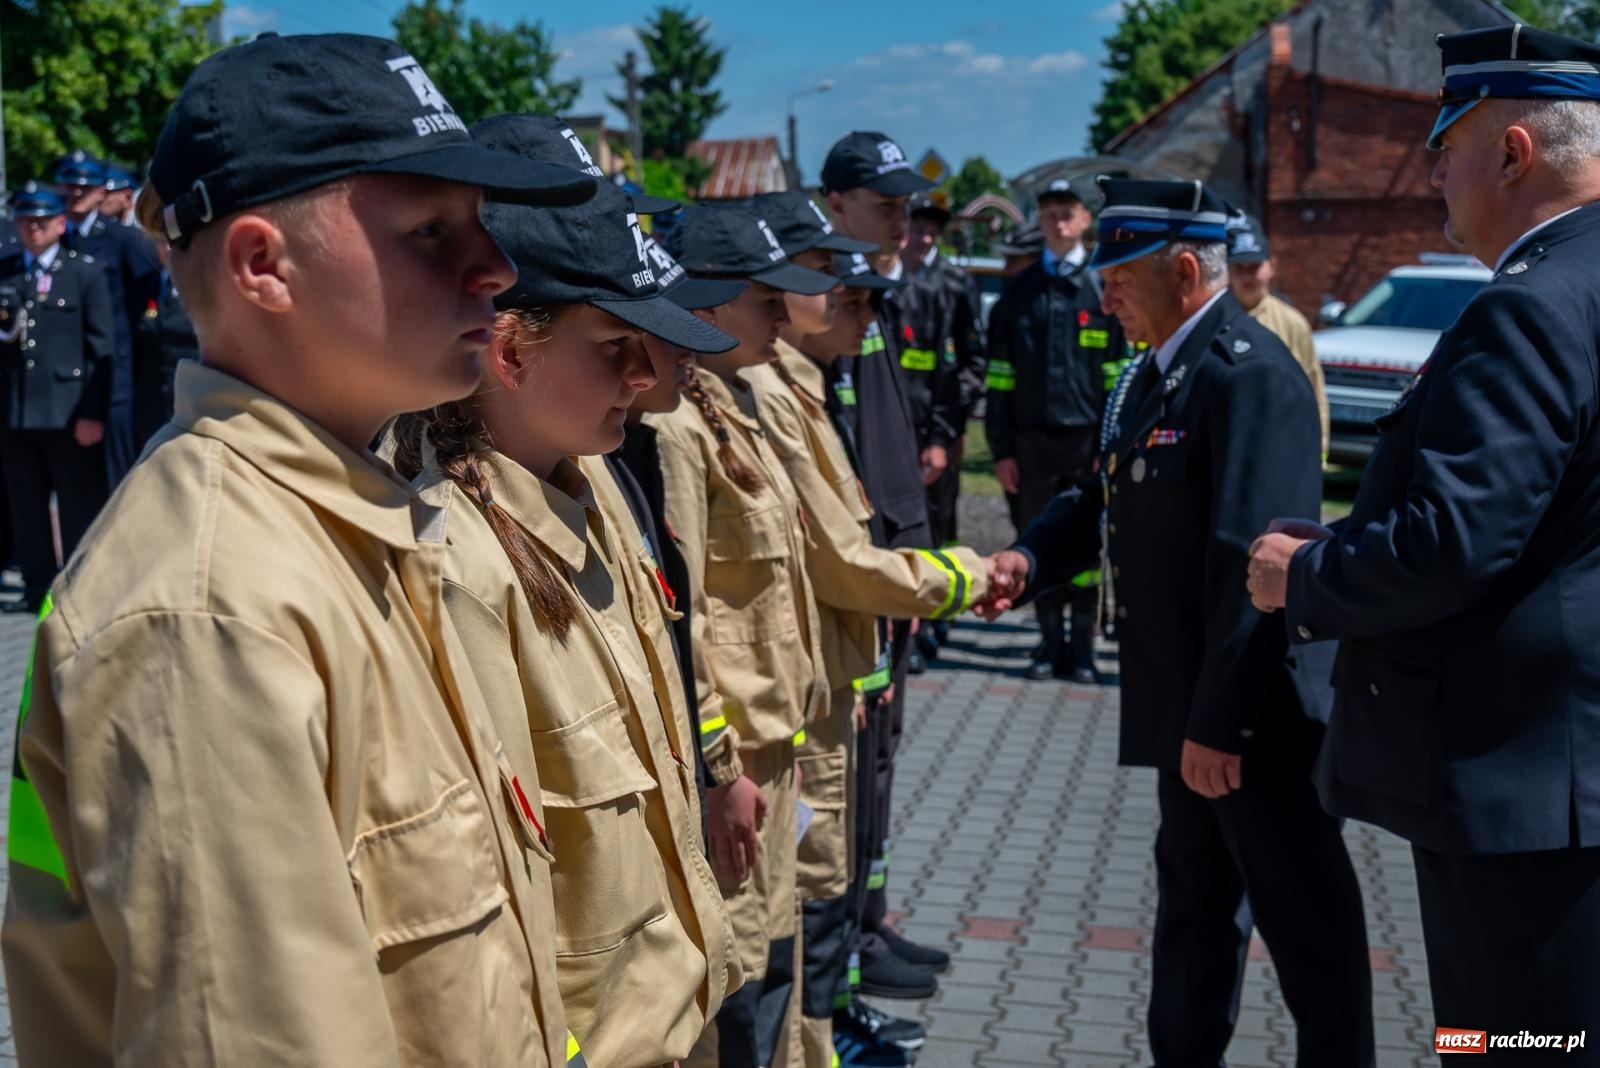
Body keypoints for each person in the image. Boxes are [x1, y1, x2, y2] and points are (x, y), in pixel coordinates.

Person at [2, 32, 597, 1066]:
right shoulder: (211, 610)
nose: (495, 269)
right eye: (430, 232)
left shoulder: (359, 519)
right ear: (263, 266)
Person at [1246, 24, 1600, 1051]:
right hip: (1568, 773)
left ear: (1511, 153)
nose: (1434, 171)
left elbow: (1451, 541)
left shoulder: (1528, 309)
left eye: (1444, 144)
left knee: (1504, 1047)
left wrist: (1302, 576)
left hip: (1523, 793)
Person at [980, 177, 1374, 1066]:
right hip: (1188, 719)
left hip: (1255, 724)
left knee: (1312, 942)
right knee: (1193, 920)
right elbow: (1100, 494)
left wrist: (1219, 726)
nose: (1102, 292)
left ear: (1187, 268)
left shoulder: (1250, 377)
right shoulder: (1152, 375)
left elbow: (1253, 566)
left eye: (1119, 274)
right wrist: (1032, 560)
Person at [392, 170, 742, 1068]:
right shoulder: (462, 564)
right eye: (616, 345)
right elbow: (483, 881)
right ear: (510, 354)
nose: (644, 373)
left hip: (673, 1005)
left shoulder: (586, 485)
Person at [747, 208, 988, 1068]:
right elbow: (837, 561)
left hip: (828, 674)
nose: (860, 311)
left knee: (825, 884)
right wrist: (964, 577)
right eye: (841, 290)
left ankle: (828, 1036)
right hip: (786, 700)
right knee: (802, 900)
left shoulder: (804, 381)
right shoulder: (766, 393)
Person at [650, 202, 835, 1068]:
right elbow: (684, 616)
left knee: (778, 951)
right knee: (744, 981)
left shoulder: (724, 401)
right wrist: (720, 766)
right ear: (711, 304)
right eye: (763, 299)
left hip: (777, 746)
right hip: (740, 766)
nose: (778, 317)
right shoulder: (674, 429)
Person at [985, 178, 1122, 683]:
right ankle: (1048, 644)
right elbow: (999, 379)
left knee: (1086, 550)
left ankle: (1081, 649)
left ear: (1086, 219)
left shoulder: (1104, 289)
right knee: (1033, 543)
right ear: (1038, 222)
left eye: (1067, 212)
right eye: (1048, 214)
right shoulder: (1017, 295)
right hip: (1030, 445)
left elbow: (1118, 378)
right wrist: (1001, 449)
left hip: (1086, 445)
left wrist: (1109, 448)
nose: (1058, 222)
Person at [0, 183, 114, 613]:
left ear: (60, 224)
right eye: (27, 220)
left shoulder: (84, 273)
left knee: (77, 506)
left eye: (43, 221)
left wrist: (93, 412)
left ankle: (81, 590)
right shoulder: (6, 272)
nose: (34, 228)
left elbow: (101, 347)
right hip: (16, 411)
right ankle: (36, 591)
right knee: (26, 508)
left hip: (68, 413)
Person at [54, 150, 160, 486]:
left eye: (84, 189)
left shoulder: (123, 240)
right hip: (71, 378)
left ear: (101, 192)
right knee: (78, 486)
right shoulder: (58, 241)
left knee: (120, 479)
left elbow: (144, 305)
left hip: (117, 375)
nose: (75, 195)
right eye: (70, 188)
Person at [897, 193, 985, 553]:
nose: (926, 238)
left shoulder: (956, 282)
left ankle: (940, 605)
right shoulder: (882, 280)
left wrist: (945, 434)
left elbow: (972, 364)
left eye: (933, 231)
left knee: (940, 516)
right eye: (918, 229)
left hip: (938, 429)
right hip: (892, 425)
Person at [1225, 213, 1328, 459]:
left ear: (1271, 265)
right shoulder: (1216, 320)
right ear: (1226, 270)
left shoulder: (1292, 323)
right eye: (1239, 268)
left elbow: (1313, 388)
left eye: (1255, 267)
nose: (1248, 276)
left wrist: (1318, 446)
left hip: (1280, 442)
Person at [131, 235, 200, 448]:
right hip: (152, 402)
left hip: (191, 400)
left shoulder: (202, 289)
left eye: (174, 242)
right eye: (162, 242)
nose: (168, 249)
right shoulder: (144, 286)